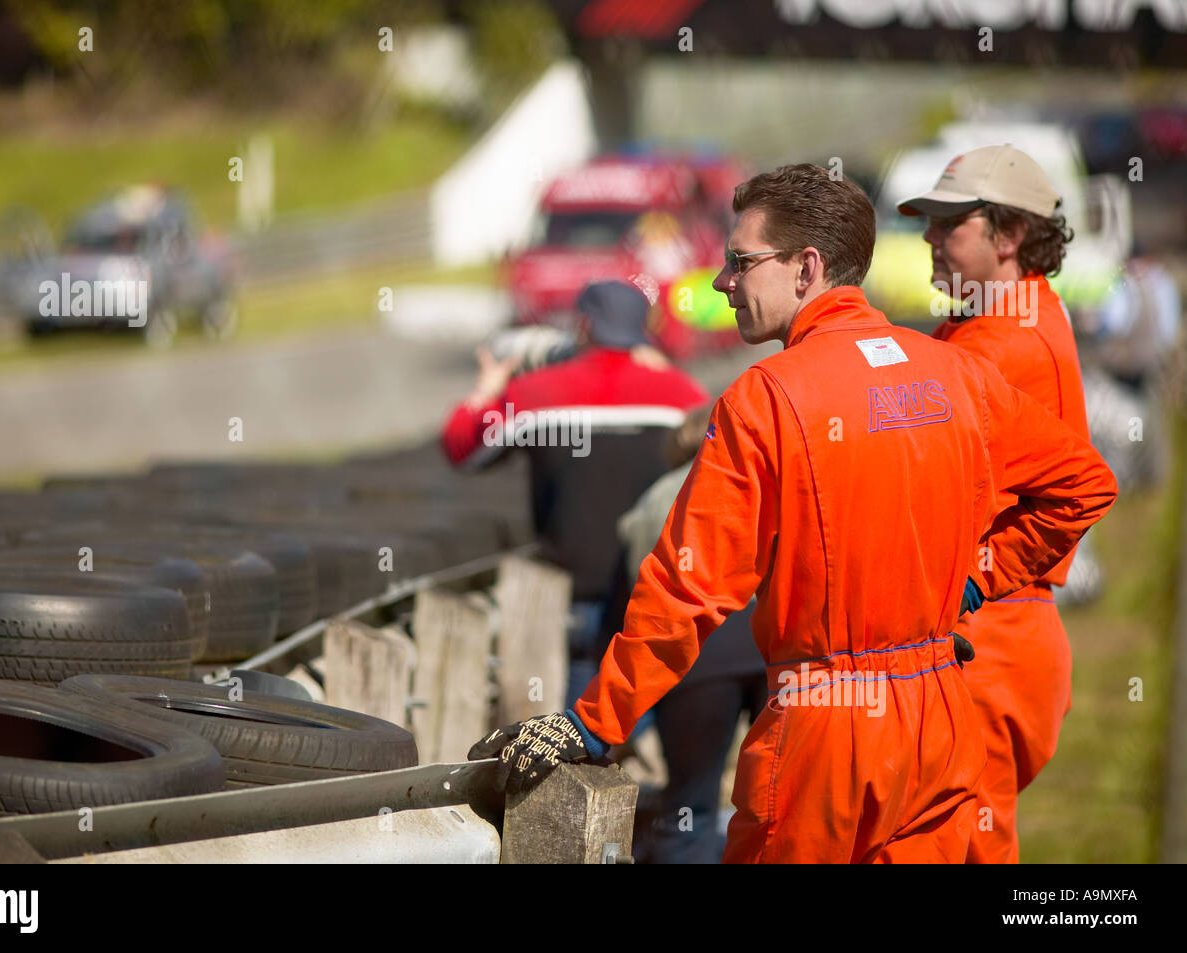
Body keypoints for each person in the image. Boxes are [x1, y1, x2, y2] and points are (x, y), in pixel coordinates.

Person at [468, 163, 1118, 863]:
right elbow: (1085, 482)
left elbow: (689, 587)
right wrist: (977, 580)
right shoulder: (952, 370)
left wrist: (596, 723)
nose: (722, 282)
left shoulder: (768, 398)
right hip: (943, 720)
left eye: (741, 262)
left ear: (807, 268)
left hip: (824, 737)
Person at [897, 143, 1097, 863]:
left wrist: (980, 574)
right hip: (1006, 633)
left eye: (949, 221)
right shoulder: (1006, 316)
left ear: (1008, 235)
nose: (928, 237)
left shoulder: (999, 346)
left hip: (987, 634)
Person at [441, 279, 709, 710]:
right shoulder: (682, 394)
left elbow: (461, 446)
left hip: (572, 598)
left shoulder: (533, 395)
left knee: (585, 727)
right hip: (657, 592)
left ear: (583, 326)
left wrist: (487, 388)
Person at [608, 403, 764, 864]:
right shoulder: (754, 484)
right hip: (768, 647)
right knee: (770, 798)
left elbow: (628, 598)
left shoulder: (654, 498)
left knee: (689, 805)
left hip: (694, 656)